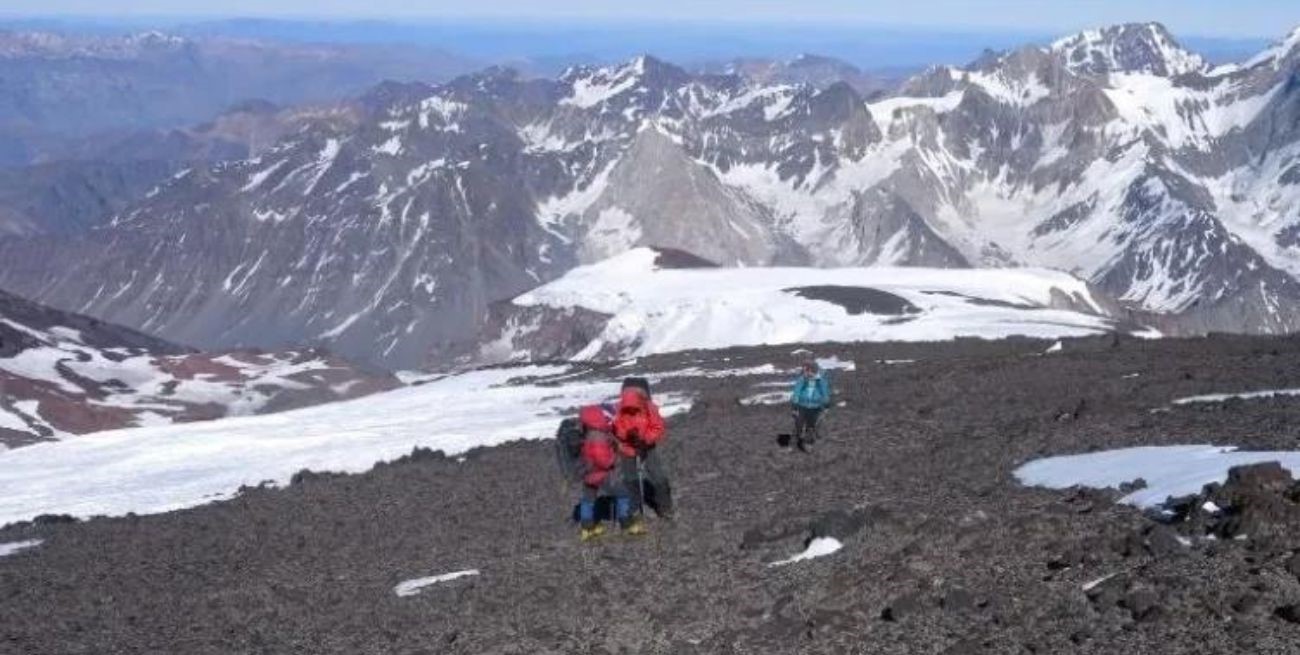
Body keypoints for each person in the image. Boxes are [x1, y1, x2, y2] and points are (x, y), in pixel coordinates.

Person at [612, 380, 673, 527]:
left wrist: (645, 440)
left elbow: (658, 427)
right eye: (629, 410)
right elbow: (615, 428)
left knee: (659, 477)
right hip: (627, 448)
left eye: (634, 409)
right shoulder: (618, 409)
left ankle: (665, 508)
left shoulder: (649, 407)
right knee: (630, 480)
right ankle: (630, 511)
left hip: (647, 447)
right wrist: (627, 435)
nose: (631, 412)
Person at [575, 405, 634, 542]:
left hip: (588, 473)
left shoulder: (588, 432)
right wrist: (612, 460)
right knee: (623, 493)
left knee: (588, 499)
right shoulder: (599, 436)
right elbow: (603, 461)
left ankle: (587, 529)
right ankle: (626, 523)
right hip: (601, 473)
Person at [790, 360, 831, 452]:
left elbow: (825, 393)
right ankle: (795, 445)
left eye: (807, 371)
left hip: (815, 407)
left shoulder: (821, 380)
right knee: (798, 425)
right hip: (802, 406)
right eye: (804, 371)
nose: (805, 373)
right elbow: (796, 392)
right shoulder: (802, 379)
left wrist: (826, 406)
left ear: (813, 370)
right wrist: (794, 407)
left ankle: (808, 445)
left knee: (811, 427)